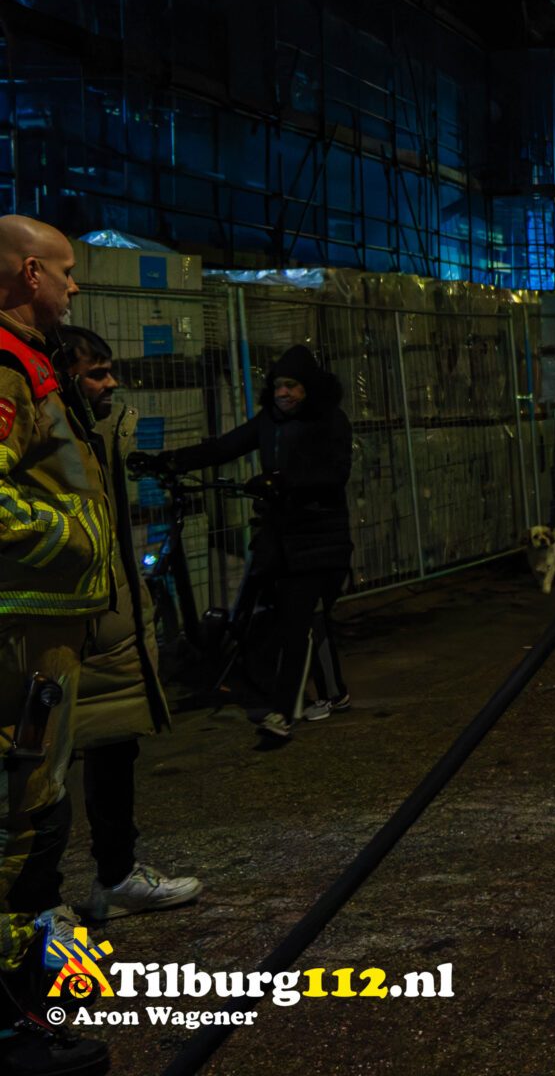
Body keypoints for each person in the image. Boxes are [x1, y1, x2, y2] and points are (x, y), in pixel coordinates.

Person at [0, 214, 113, 1076]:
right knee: (20, 820)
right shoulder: (4, 366)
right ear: (30, 272)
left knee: (36, 811)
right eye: (67, 271)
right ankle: (12, 1028)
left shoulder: (27, 361)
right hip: (17, 641)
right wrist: (71, 536)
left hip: (38, 636)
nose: (76, 286)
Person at [54, 326, 203, 922]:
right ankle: (39, 905)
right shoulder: (53, 428)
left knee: (114, 746)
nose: (111, 382)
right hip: (63, 615)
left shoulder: (101, 429)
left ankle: (115, 876)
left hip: (106, 614)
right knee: (44, 768)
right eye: (96, 373)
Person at [132, 345, 352, 742]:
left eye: (292, 386)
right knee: (304, 617)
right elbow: (225, 447)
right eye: (277, 386)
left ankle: (283, 713)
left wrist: (283, 481)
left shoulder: (330, 421)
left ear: (310, 388)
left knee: (297, 620)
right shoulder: (269, 420)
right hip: (279, 534)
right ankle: (334, 692)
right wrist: (168, 460)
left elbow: (334, 473)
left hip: (319, 538)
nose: (283, 393)